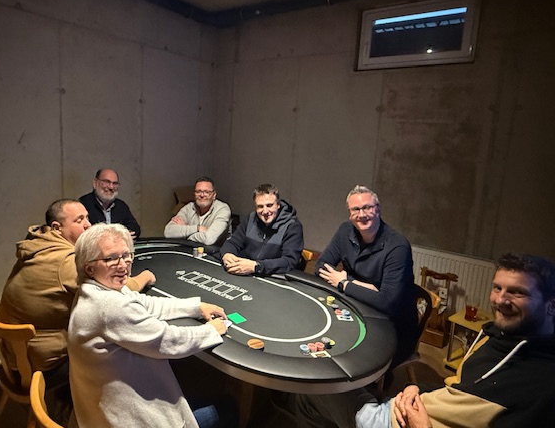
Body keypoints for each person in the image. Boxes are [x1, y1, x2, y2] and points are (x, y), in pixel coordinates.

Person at [293, 252, 555, 428]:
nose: (500, 300)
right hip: (411, 406)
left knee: (316, 386)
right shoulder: (497, 336)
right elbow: (459, 390)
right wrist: (419, 388)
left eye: (517, 292)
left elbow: (387, 300)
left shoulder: (543, 386)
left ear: (551, 305)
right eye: (497, 288)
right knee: (318, 398)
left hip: (399, 421)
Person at [68, 223, 237, 428]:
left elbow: (144, 303)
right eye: (111, 258)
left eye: (126, 255)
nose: (123, 265)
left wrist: (196, 307)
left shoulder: (96, 289)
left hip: (100, 409)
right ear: (89, 267)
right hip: (125, 420)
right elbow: (167, 341)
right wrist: (210, 331)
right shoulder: (108, 306)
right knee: (228, 408)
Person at [0, 199, 155, 383]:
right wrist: (145, 276)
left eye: (87, 217)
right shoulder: (65, 261)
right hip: (39, 364)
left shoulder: (38, 244)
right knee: (117, 347)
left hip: (13, 350)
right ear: (57, 228)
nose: (88, 225)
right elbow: (115, 288)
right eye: (79, 220)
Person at [316, 185, 417, 368]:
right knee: (324, 347)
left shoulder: (398, 246)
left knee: (352, 364)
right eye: (355, 209)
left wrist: (345, 283)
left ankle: (374, 384)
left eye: (367, 208)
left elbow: (386, 302)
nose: (362, 214)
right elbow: (321, 266)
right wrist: (361, 286)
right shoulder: (345, 231)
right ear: (350, 214)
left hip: (393, 328)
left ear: (378, 209)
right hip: (357, 309)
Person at [220, 183, 303, 276]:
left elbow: (289, 261)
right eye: (260, 206)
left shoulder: (292, 226)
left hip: (272, 276)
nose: (265, 211)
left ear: (278, 205)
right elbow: (232, 242)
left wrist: (257, 266)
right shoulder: (250, 218)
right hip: (246, 273)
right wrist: (227, 254)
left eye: (269, 205)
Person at [164, 176, 232, 246]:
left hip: (217, 251)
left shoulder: (223, 209)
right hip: (192, 249)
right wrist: (197, 228)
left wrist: (184, 234)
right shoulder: (188, 208)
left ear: (214, 195)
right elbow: (168, 232)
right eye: (198, 191)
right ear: (194, 194)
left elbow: (209, 239)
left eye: (207, 192)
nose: (202, 195)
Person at [79, 168, 141, 238]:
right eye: (106, 182)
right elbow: (81, 232)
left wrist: (121, 235)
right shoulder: (83, 204)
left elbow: (135, 229)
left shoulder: (121, 206)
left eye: (115, 183)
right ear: (95, 183)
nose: (111, 187)